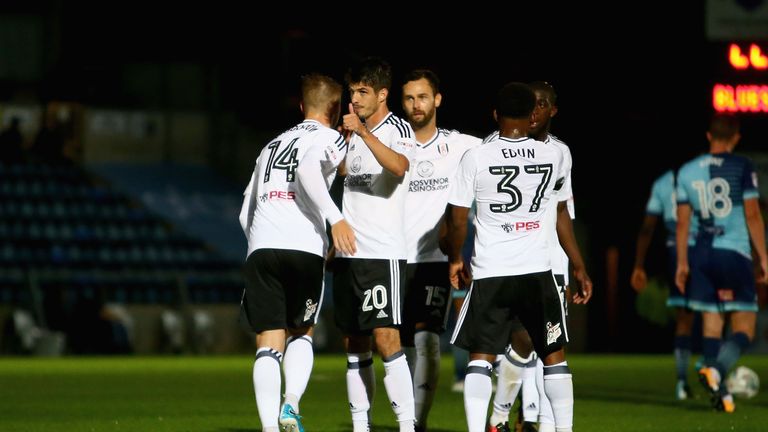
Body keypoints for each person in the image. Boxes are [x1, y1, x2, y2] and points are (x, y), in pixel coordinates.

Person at [445, 82, 592, 432]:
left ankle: (480, 428)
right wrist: (579, 264)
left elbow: (457, 217)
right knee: (554, 355)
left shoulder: (477, 156)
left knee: (481, 356)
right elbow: (560, 214)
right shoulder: (553, 155)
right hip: (538, 270)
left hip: (491, 271)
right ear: (531, 116)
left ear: (495, 115)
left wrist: (455, 259)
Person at [238, 73, 356, 432]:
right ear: (336, 110)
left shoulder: (270, 145)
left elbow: (245, 208)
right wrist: (335, 220)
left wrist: (257, 243)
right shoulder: (331, 137)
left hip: (262, 247)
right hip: (303, 246)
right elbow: (307, 169)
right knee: (302, 332)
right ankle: (290, 406)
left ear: (302, 106)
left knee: (268, 342)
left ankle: (269, 428)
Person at [333, 57, 416, 432]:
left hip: (382, 253)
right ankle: (360, 425)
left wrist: (364, 134)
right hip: (351, 253)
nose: (356, 98)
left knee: (386, 337)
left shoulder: (396, 128)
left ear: (383, 94)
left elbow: (399, 167)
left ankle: (405, 424)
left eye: (363, 92)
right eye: (352, 91)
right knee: (354, 342)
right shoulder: (353, 133)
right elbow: (348, 177)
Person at [487, 81, 574, 432]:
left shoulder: (560, 153)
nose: (535, 112)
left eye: (542, 105)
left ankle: (540, 422)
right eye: (531, 105)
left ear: (552, 110)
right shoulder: (491, 147)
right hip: (506, 262)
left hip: (551, 262)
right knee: (521, 343)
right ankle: (501, 413)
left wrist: (573, 264)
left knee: (548, 346)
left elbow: (564, 212)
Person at [400, 69, 481, 431]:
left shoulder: (462, 145)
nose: (415, 105)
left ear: (437, 100)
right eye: (409, 98)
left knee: (428, 342)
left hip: (433, 260)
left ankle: (418, 422)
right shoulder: (392, 143)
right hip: (392, 258)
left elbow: (501, 152)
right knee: (395, 349)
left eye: (422, 97)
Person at [675, 113, 768, 413]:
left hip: (700, 255)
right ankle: (716, 370)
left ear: (708, 135)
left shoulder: (688, 170)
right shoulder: (742, 165)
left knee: (712, 327)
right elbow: (752, 214)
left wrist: (681, 263)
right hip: (734, 253)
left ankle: (722, 394)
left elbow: (682, 223)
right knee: (744, 327)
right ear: (736, 137)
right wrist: (764, 256)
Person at [631, 168, 697, 400]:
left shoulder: (662, 182)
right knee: (715, 315)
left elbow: (648, 227)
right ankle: (715, 372)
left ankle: (681, 382)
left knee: (684, 319)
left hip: (676, 254)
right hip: (708, 248)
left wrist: (639, 265)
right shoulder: (702, 172)